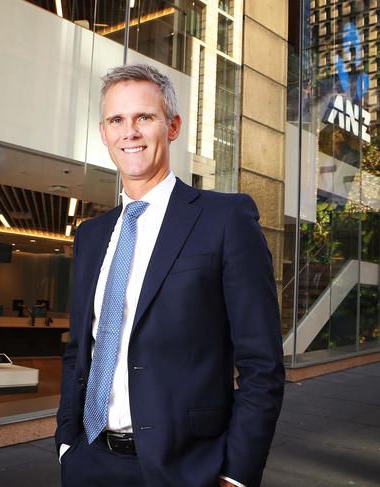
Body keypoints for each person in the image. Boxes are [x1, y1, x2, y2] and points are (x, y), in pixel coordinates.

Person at [56, 64, 285, 487]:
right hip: (89, 461)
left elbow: (262, 364)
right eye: (116, 120)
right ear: (104, 133)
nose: (130, 132)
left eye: (144, 117)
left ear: (172, 126)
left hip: (187, 468)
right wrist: (66, 443)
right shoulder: (91, 235)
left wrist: (236, 474)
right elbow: (79, 350)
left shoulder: (225, 219)